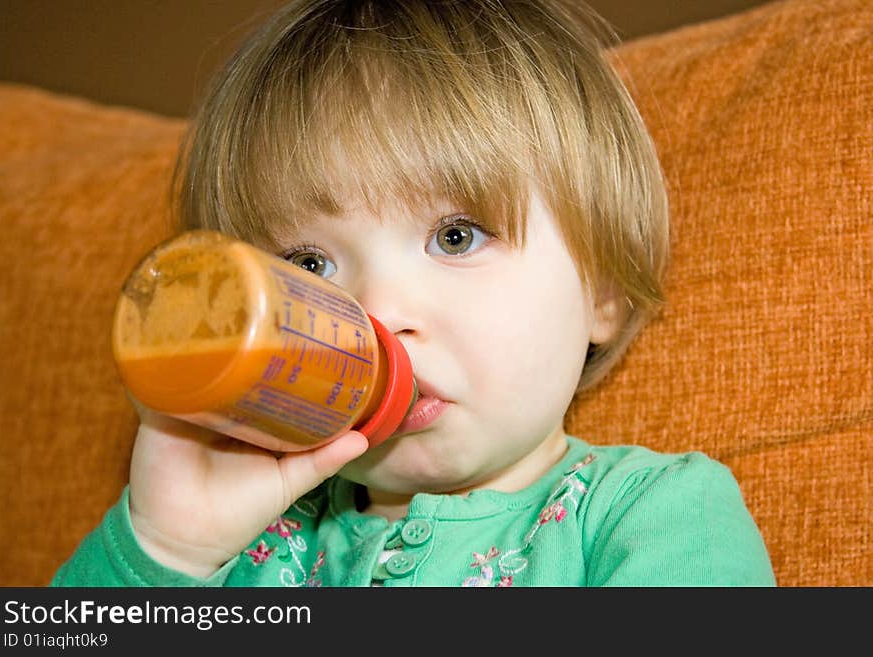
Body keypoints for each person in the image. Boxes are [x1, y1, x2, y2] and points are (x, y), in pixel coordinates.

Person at [52, 0, 775, 587]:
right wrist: (163, 548)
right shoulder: (249, 545)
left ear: (603, 291)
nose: (377, 318)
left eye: (455, 236)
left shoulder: (654, 514)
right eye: (309, 265)